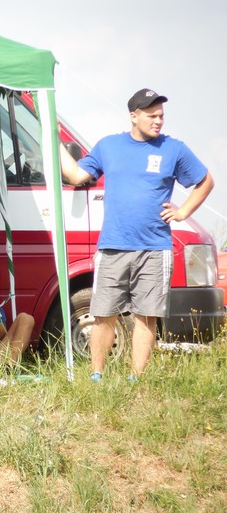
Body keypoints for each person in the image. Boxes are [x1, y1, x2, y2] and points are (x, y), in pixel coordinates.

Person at [59, 88, 214, 380]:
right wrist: (53, 141)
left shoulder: (173, 149)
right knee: (104, 314)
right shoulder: (109, 146)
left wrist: (183, 212)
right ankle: (97, 376)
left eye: (161, 116)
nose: (158, 121)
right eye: (152, 116)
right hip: (113, 246)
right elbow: (76, 175)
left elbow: (205, 181)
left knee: (146, 315)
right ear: (134, 116)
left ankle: (136, 379)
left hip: (155, 248)